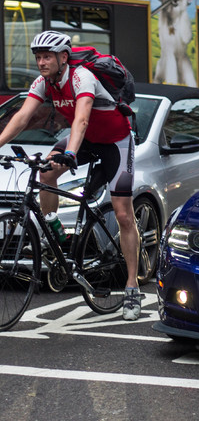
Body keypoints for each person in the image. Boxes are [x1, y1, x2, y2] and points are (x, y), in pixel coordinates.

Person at [0, 31, 143, 320]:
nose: (41, 62)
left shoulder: (81, 78)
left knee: (124, 215)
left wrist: (72, 153)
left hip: (116, 141)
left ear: (63, 57)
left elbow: (82, 118)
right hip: (87, 140)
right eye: (38, 57)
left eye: (47, 57)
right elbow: (22, 117)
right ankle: (54, 230)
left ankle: (131, 287)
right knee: (46, 172)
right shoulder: (43, 83)